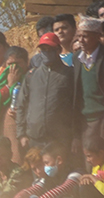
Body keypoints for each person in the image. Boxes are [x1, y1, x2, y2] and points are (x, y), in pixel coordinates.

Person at [16, 34, 78, 156]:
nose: (46, 53)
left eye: (50, 49)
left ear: (58, 50)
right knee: (38, 173)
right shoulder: (31, 75)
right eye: (43, 50)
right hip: (34, 139)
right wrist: (21, 134)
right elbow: (21, 105)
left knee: (61, 172)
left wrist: (77, 136)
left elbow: (78, 106)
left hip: (61, 139)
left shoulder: (69, 74)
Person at [77, 17, 104, 149]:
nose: (81, 40)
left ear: (98, 36)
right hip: (85, 121)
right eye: (79, 36)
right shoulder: (78, 59)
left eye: (85, 36)